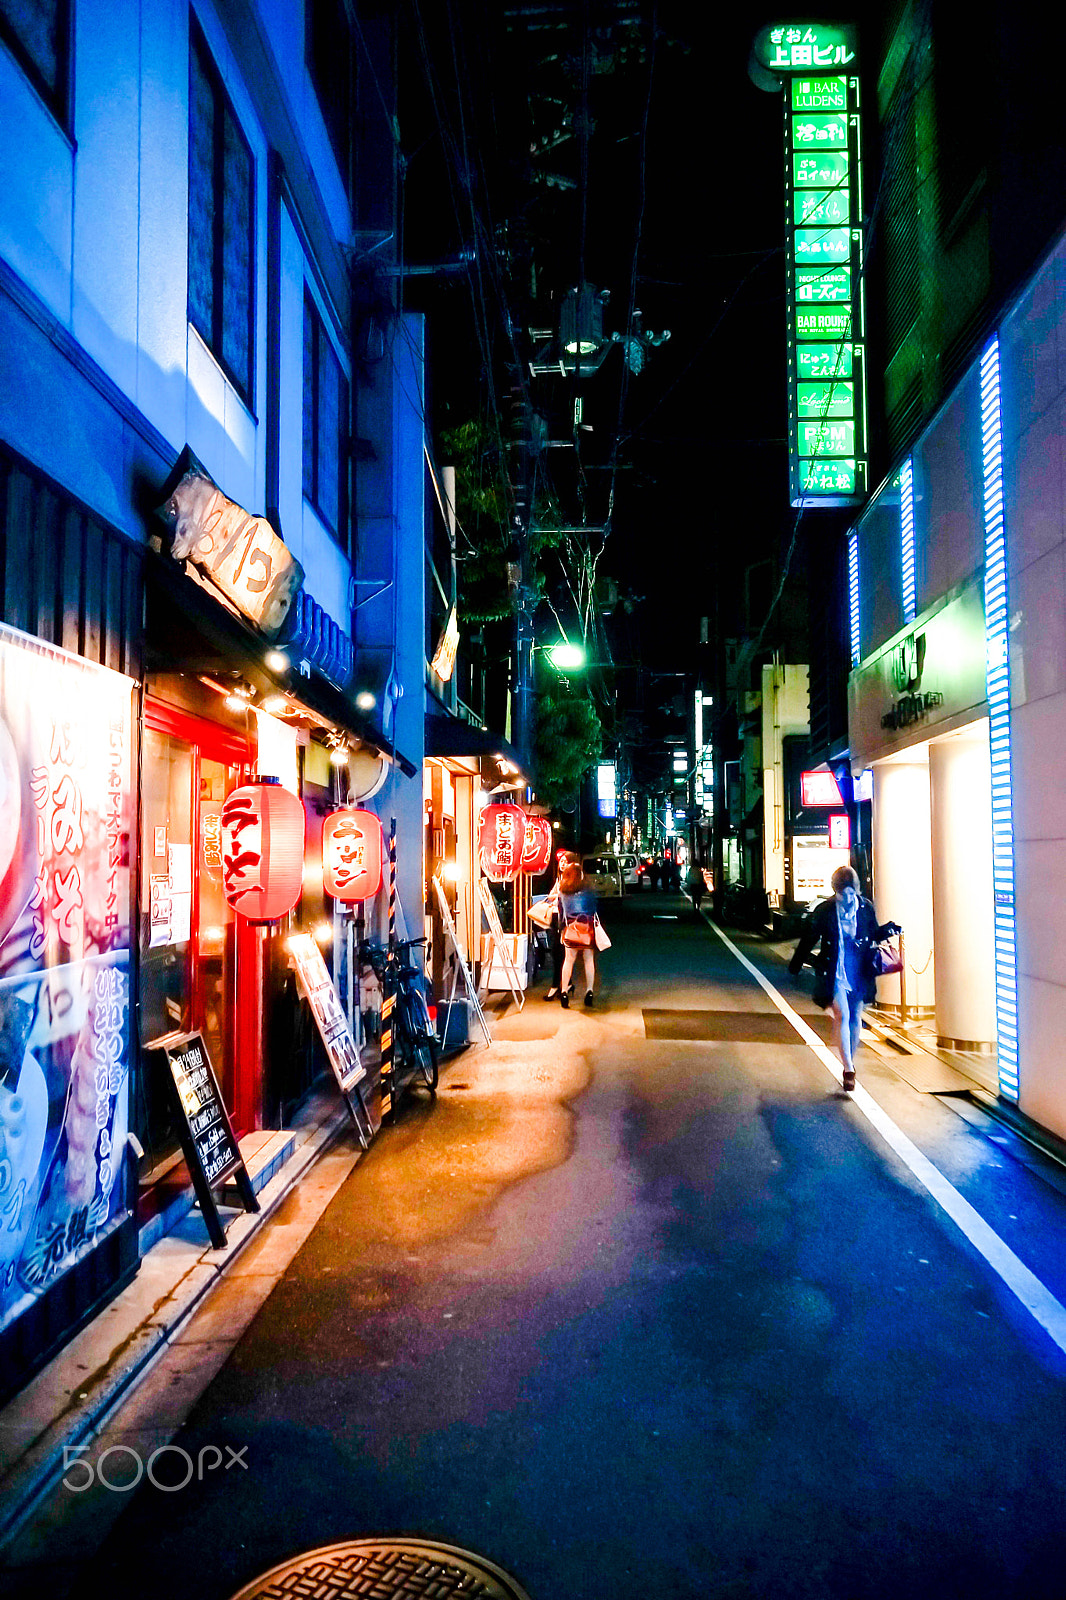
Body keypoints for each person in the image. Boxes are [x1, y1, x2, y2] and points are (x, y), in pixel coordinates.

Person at [788, 864, 901, 1091]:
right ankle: (849, 1068)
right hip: (835, 970)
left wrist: (888, 930)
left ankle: (850, 1057)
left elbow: (873, 932)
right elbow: (809, 937)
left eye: (852, 893)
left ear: (856, 890)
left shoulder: (865, 908)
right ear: (835, 891)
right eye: (843, 893)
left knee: (856, 1016)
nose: (848, 898)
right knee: (843, 1013)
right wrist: (796, 964)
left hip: (859, 970)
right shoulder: (826, 910)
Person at [557, 859, 600, 1008]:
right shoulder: (589, 891)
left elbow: (561, 914)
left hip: (571, 929)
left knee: (568, 961)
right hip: (587, 929)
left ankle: (563, 992)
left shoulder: (563, 892)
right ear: (581, 874)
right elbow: (594, 909)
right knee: (589, 960)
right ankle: (589, 992)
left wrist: (561, 928)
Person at [540, 849, 580, 1001]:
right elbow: (551, 895)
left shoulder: (573, 879)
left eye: (565, 862)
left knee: (560, 953)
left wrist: (557, 895)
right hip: (556, 917)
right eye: (560, 862)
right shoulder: (560, 878)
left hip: (566, 919)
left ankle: (557, 986)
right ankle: (566, 983)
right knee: (558, 953)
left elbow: (566, 896)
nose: (562, 864)